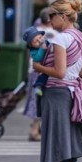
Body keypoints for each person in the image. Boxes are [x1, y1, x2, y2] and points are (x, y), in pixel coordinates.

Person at [32, 0, 82, 162]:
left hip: (57, 94)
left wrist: (39, 67)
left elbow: (59, 72)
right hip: (74, 94)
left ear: (63, 17)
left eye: (52, 16)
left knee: (58, 146)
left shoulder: (60, 39)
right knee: (70, 147)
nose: (49, 21)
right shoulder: (80, 37)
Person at [23, 8, 54, 141]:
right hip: (42, 72)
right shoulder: (50, 33)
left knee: (35, 99)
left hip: (33, 71)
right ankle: (35, 130)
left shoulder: (35, 32)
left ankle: (35, 129)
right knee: (40, 101)